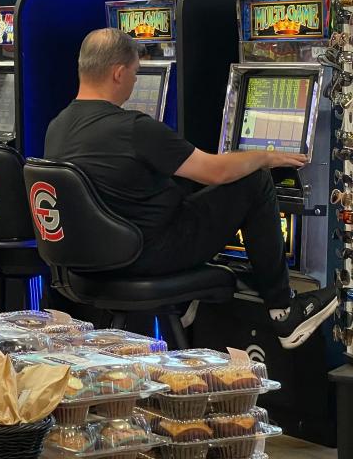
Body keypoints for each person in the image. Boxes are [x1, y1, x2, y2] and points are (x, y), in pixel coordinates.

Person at [44, 27, 337, 349]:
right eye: (135, 73)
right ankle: (284, 312)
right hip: (146, 256)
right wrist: (264, 156)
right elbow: (215, 172)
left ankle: (192, 298)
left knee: (179, 181)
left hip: (91, 262)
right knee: (253, 180)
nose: (135, 82)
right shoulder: (133, 128)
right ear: (118, 73)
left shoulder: (57, 126)